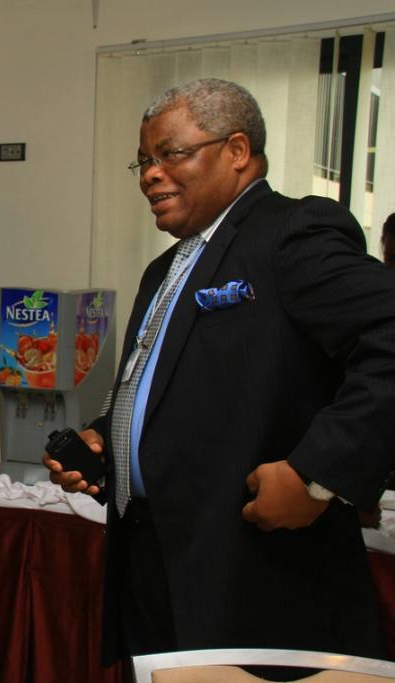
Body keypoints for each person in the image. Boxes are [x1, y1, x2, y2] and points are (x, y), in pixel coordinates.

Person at [46, 78, 395, 667]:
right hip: (150, 565)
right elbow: (162, 387)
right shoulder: (163, 269)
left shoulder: (291, 233)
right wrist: (107, 436)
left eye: (170, 153)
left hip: (253, 577)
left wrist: (317, 474)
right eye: (143, 160)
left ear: (237, 151)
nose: (150, 175)